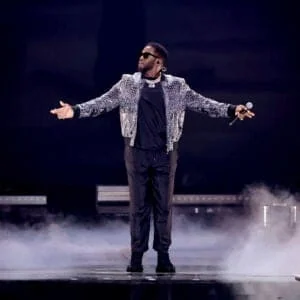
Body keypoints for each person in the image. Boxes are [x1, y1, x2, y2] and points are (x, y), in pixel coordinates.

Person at [50, 42, 254, 273]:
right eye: (140, 53)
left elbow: (204, 104)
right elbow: (102, 103)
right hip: (136, 152)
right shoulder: (128, 84)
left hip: (166, 154)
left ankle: (163, 256)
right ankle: (136, 256)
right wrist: (74, 110)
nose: (141, 57)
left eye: (146, 55)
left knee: (163, 207)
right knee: (138, 207)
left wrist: (232, 109)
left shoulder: (177, 86)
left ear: (159, 62)